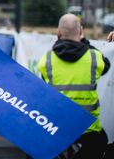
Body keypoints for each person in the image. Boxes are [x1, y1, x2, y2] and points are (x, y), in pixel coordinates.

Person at [38, 14, 110, 159]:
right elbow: (106, 66)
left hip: (56, 126)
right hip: (87, 129)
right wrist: (84, 41)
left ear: (59, 32)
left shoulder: (46, 59)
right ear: (81, 31)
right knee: (102, 141)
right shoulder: (95, 57)